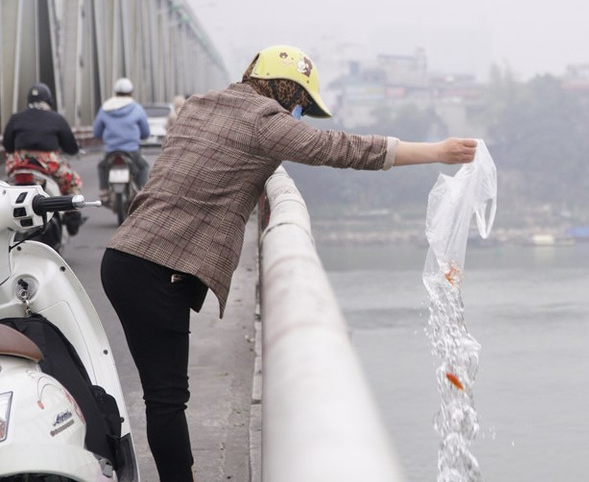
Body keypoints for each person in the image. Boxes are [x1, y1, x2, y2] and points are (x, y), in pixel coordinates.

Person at [99, 45, 477, 482]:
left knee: (161, 396)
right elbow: (344, 149)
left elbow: (221, 159)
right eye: (298, 102)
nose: (297, 113)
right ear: (283, 87)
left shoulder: (201, 105)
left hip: (126, 256)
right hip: (157, 267)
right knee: (166, 399)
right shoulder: (263, 120)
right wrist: (437, 151)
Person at [2, 82, 85, 235]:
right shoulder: (56, 118)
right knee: (73, 182)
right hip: (47, 165)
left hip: (19, 165)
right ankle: (72, 216)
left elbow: (7, 145)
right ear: (49, 100)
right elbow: (71, 147)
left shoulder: (16, 118)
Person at [93, 77, 151, 202]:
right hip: (132, 151)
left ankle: (104, 191)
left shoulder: (105, 108)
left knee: (102, 165)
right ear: (131, 92)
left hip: (111, 151)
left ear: (115, 92)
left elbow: (97, 132)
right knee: (144, 167)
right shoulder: (136, 108)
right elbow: (145, 132)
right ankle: (141, 194)